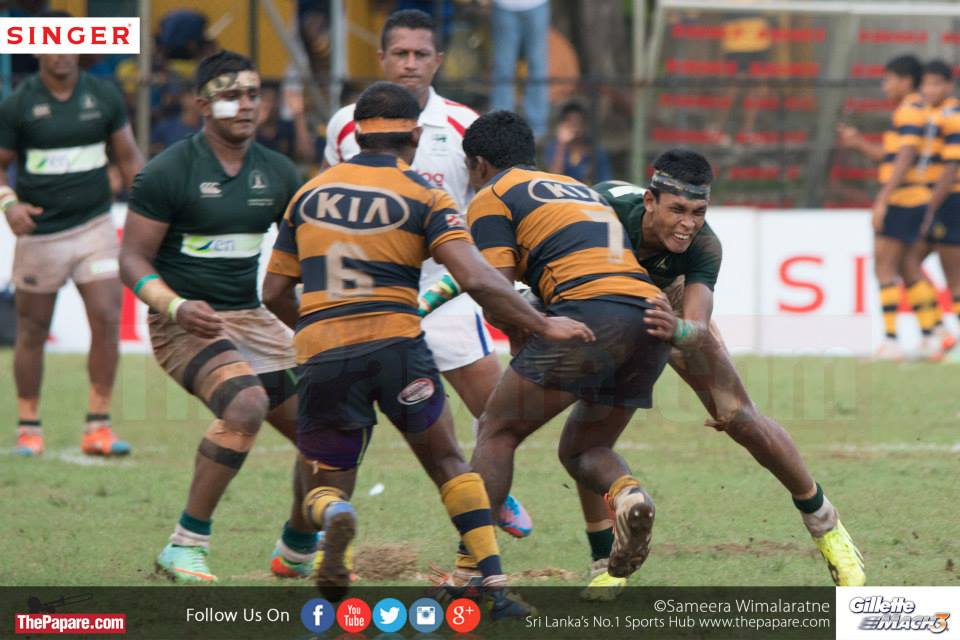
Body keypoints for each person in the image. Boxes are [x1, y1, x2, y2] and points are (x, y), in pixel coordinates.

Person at [261, 81, 593, 611]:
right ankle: (493, 588)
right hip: (398, 345)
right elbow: (478, 278)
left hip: (326, 350)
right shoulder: (425, 194)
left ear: (354, 135)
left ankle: (334, 515)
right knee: (448, 462)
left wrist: (315, 329)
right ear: (414, 137)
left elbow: (273, 292)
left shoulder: (309, 195)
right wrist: (543, 324)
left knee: (327, 477)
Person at [573, 151, 866, 595]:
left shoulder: (705, 245)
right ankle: (604, 563)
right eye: (678, 209)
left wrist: (677, 329)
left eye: (698, 212)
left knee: (739, 416)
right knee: (590, 430)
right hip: (615, 304)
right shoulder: (602, 211)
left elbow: (696, 323)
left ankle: (827, 527)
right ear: (650, 201)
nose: (688, 224)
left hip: (671, 306)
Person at [324, 8, 532, 538]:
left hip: (446, 293)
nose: (410, 64)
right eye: (400, 53)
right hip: (370, 294)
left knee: (499, 411)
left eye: (421, 54)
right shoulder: (344, 124)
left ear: (438, 61)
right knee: (342, 422)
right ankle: (315, 529)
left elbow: (491, 202)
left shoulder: (464, 125)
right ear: (382, 58)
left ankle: (493, 490)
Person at [450, 109, 671, 587]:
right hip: (652, 320)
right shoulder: (579, 188)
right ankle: (628, 494)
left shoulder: (492, 196)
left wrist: (533, 324)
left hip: (592, 315)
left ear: (479, 164)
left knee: (496, 430)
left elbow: (496, 291)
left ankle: (471, 572)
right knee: (586, 447)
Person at [119, 51, 309, 583]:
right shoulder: (167, 171)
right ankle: (184, 545)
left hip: (251, 317)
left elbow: (302, 258)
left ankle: (297, 549)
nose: (245, 104)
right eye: (230, 95)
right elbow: (131, 260)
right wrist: (175, 305)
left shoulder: (278, 172)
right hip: (182, 324)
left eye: (252, 94)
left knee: (332, 428)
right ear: (202, 105)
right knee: (246, 403)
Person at [0, 52, 143, 457]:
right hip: (40, 232)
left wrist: (150, 209)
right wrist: (8, 203)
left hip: (95, 227)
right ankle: (29, 428)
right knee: (32, 330)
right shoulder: (18, 104)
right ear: (36, 50)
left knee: (107, 316)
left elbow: (129, 158)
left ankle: (98, 426)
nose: (61, 52)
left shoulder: (103, 95)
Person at [837, 54, 945, 360]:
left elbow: (905, 156)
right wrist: (858, 143)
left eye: (888, 79)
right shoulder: (918, 110)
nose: (885, 86)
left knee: (884, 268)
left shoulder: (909, 110)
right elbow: (891, 156)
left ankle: (892, 341)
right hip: (916, 196)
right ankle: (933, 335)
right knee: (908, 266)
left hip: (903, 198)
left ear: (905, 81)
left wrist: (883, 198)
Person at [922, 61, 960, 362]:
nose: (929, 89)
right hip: (936, 199)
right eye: (925, 84)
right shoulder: (932, 114)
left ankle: (941, 334)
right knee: (907, 261)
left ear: (949, 85)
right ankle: (937, 332)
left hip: (950, 200)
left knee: (954, 277)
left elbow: (952, 165)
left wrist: (930, 206)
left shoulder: (953, 115)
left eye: (935, 83)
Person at [489, 0, 550, 139]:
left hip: (536, 5)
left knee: (537, 66)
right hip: (504, 6)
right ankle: (501, 124)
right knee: (503, 67)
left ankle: (538, 127)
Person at [545, 101, 611, 184]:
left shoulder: (596, 150)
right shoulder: (554, 147)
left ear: (585, 124)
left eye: (578, 120)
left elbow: (605, 181)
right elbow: (554, 179)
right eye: (570, 121)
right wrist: (561, 144)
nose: (575, 125)